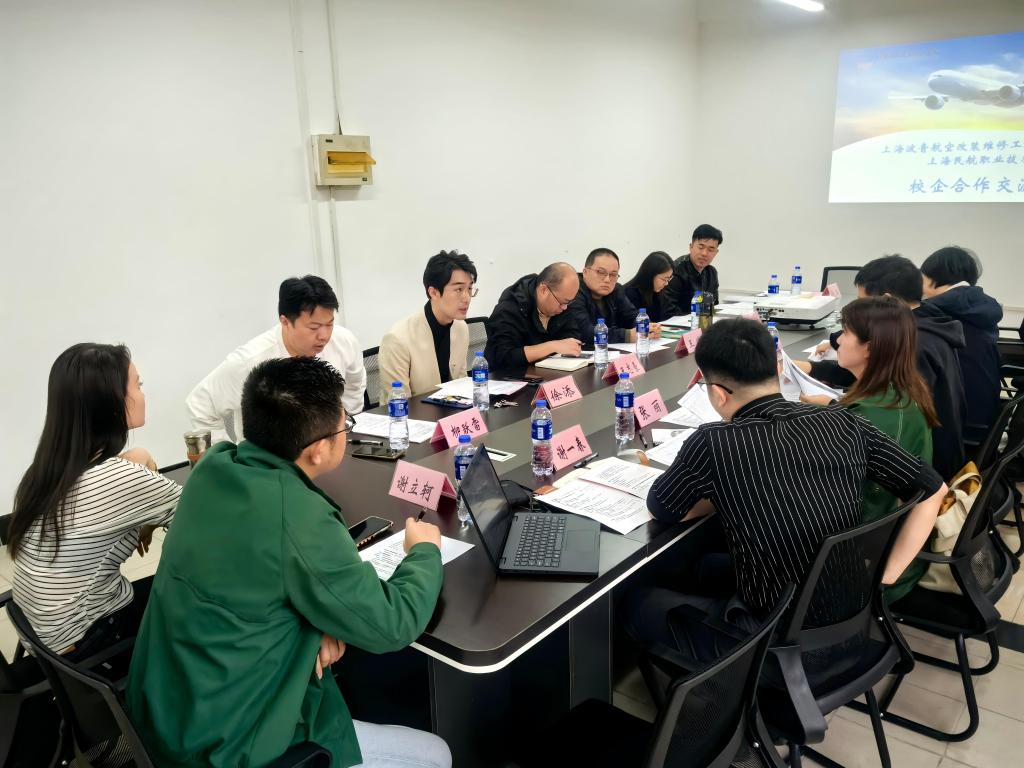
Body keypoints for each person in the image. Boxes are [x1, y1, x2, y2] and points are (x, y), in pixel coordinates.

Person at [127, 357, 450, 768]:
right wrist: (424, 551)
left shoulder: (213, 467)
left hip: (169, 713)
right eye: (344, 427)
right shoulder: (298, 516)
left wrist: (314, 630)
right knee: (436, 755)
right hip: (229, 745)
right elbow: (392, 624)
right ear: (318, 450)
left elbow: (255, 581)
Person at [621, 319, 946, 673]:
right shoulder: (845, 422)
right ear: (778, 369)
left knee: (638, 603)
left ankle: (724, 687)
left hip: (782, 649)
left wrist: (719, 490)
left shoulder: (713, 442)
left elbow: (664, 508)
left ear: (717, 394)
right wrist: (884, 577)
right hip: (857, 622)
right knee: (705, 566)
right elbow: (934, 490)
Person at [8, 343, 180, 658]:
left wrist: (143, 463)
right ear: (112, 401)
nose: (143, 394)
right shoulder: (121, 480)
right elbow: (203, 513)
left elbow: (134, 463)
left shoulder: (49, 469)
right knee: (193, 597)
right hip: (88, 642)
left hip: (43, 637)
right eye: (138, 385)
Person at [801, 297, 940, 602]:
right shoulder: (902, 390)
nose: (838, 340)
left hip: (859, 563)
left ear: (870, 347)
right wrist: (834, 406)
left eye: (846, 332)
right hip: (884, 548)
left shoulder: (865, 417)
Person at [797, 255, 967, 480]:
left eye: (863, 301)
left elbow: (879, 429)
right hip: (919, 468)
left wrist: (831, 410)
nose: (838, 340)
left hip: (929, 470)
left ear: (885, 302)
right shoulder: (918, 330)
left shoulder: (915, 347)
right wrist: (829, 398)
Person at [187, 275, 366, 443]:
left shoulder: (344, 341)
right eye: (314, 327)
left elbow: (355, 383)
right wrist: (227, 455)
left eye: (329, 324)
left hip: (327, 450)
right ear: (285, 322)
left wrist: (345, 429)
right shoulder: (251, 361)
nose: (324, 336)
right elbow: (200, 403)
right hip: (269, 458)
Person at [921, 246, 1002, 439]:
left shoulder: (934, 313)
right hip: (985, 417)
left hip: (956, 427)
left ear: (934, 278)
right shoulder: (983, 307)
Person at [378, 251, 477, 402]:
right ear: (434, 292)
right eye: (458, 289)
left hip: (451, 411)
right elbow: (399, 403)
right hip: (414, 414)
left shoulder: (460, 328)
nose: (467, 298)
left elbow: (460, 384)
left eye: (469, 289)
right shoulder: (397, 339)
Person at [484, 262, 585, 372]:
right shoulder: (509, 309)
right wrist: (552, 346)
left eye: (569, 302)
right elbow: (504, 356)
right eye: (563, 302)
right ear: (543, 290)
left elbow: (571, 335)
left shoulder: (560, 303)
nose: (565, 308)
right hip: (506, 376)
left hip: (545, 372)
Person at [570, 248, 661, 345]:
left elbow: (631, 316)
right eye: (601, 272)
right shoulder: (573, 291)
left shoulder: (616, 290)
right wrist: (627, 335)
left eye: (613, 275)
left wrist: (648, 327)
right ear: (585, 272)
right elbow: (585, 332)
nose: (607, 280)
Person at [661, 224, 723, 316]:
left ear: (716, 252)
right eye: (701, 247)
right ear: (691, 247)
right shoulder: (675, 271)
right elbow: (668, 310)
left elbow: (713, 306)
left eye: (710, 249)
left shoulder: (712, 273)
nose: (704, 253)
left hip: (702, 322)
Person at [623, 251, 675, 323]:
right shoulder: (628, 294)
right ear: (650, 275)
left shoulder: (659, 291)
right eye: (664, 279)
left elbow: (668, 317)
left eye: (669, 279)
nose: (666, 283)